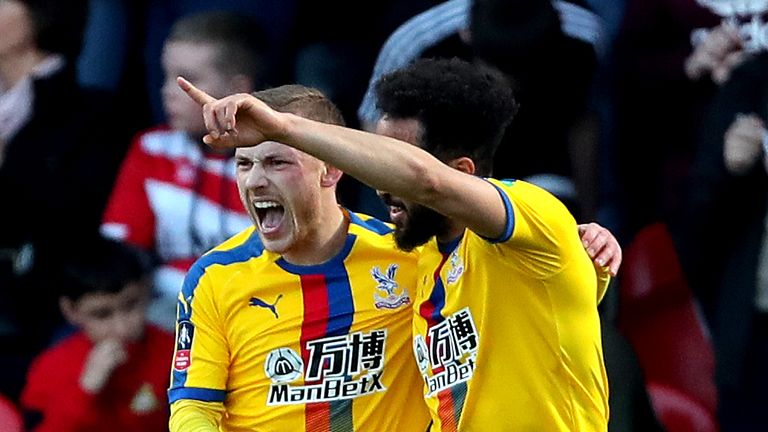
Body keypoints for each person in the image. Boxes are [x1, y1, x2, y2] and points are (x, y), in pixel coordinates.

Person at [179, 57, 618, 430]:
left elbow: (426, 182)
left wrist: (284, 127)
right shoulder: (419, 259)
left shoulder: (533, 219)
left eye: (389, 167)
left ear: (459, 173)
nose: (378, 183)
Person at [100, 10, 269, 331]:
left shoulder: (274, 163)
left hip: (248, 316)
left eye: (186, 81)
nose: (166, 91)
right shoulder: (152, 148)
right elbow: (119, 257)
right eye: (164, 76)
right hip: (160, 312)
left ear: (237, 90)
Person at [20, 236, 173, 431]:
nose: (121, 327)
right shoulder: (49, 369)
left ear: (146, 290)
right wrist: (86, 390)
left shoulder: (175, 351)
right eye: (102, 314)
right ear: (70, 310)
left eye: (131, 305)